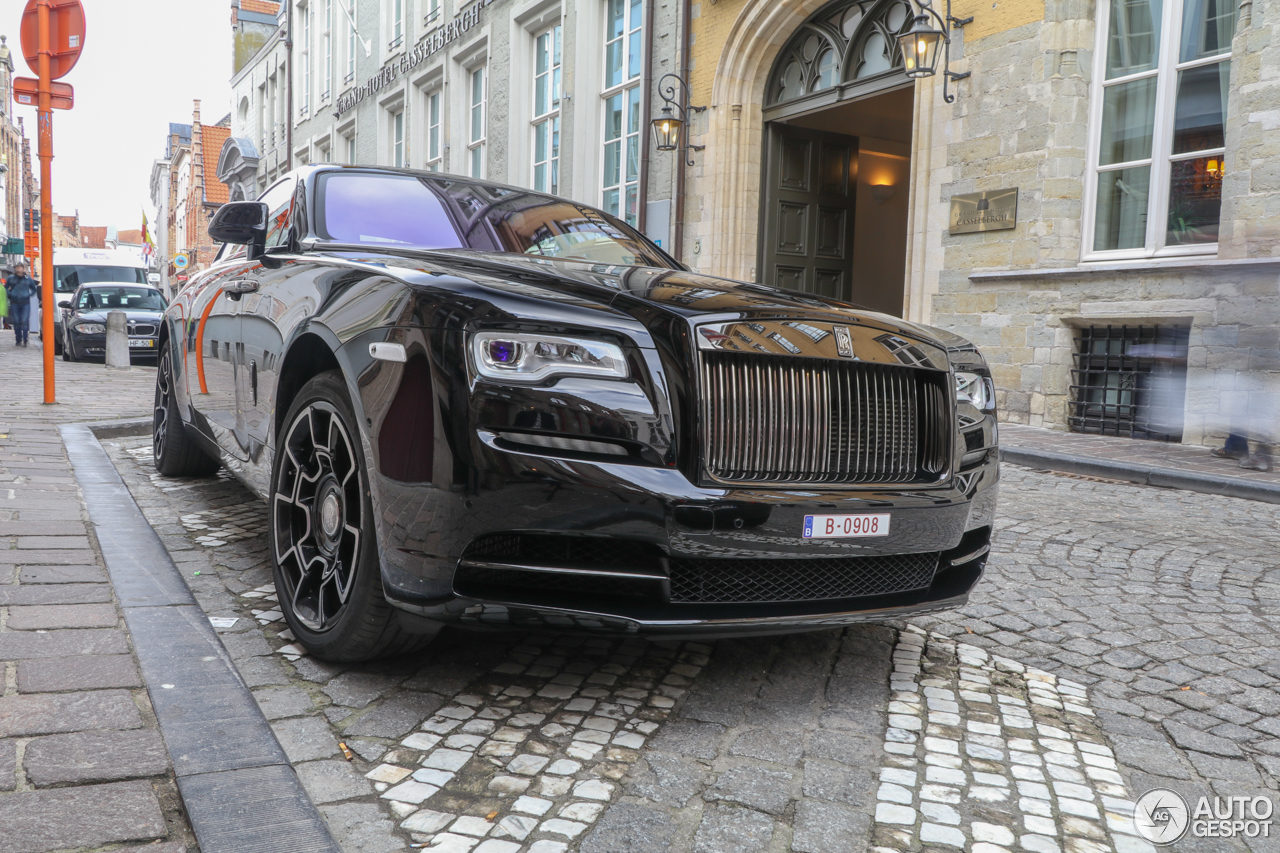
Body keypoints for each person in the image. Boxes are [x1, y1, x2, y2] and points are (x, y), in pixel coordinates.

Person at [4, 261, 38, 346]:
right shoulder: (11, 278)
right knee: (16, 321)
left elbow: (34, 289)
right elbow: (6, 288)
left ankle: (25, 339)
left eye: (20, 267)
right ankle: (18, 338)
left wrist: (29, 294)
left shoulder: (28, 278)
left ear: (23, 268)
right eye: (17, 267)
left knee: (24, 321)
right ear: (15, 268)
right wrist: (10, 294)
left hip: (25, 303)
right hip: (14, 302)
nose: (19, 269)